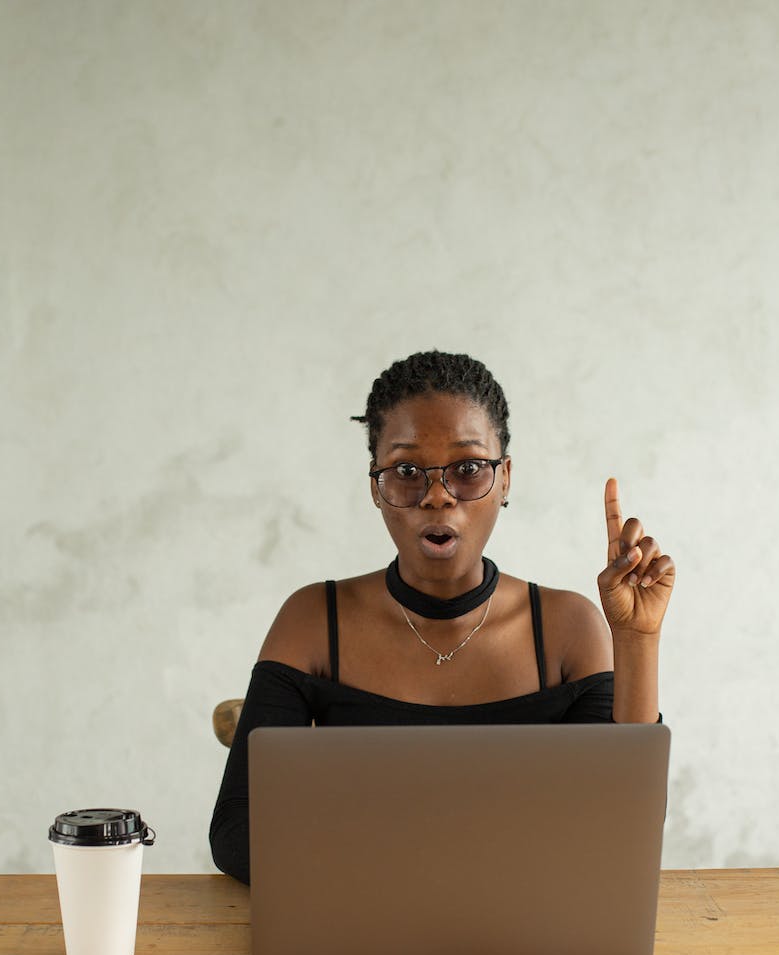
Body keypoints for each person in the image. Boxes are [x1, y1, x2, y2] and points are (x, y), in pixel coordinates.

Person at [210, 350, 675, 885]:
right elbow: (237, 834)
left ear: (504, 482)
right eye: (407, 471)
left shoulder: (568, 628)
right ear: (375, 487)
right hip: (363, 938)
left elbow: (625, 833)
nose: (437, 495)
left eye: (469, 469)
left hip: (526, 945)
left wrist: (637, 639)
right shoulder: (315, 621)